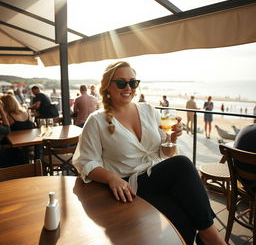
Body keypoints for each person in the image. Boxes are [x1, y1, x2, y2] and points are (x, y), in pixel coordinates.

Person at [72, 61, 226, 245]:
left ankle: (205, 235)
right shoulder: (97, 120)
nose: (128, 87)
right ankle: (211, 236)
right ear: (107, 87)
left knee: (184, 219)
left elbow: (165, 153)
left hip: (157, 177)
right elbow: (86, 162)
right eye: (121, 83)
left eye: (133, 82)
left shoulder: (148, 110)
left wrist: (172, 139)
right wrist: (112, 178)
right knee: (182, 164)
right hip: (129, 185)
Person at [0, 99, 26, 168]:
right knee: (18, 153)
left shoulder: (10, 115)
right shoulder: (24, 112)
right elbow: (6, 130)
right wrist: (1, 109)